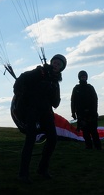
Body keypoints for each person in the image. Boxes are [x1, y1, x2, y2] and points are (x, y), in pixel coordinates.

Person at [13, 54, 67, 182]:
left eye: (59, 64)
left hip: (46, 112)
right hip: (32, 110)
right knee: (30, 140)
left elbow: (56, 103)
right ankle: (23, 174)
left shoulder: (55, 82)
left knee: (53, 139)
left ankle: (42, 169)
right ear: (52, 62)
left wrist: (52, 91)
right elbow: (22, 78)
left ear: (61, 69)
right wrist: (19, 92)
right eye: (55, 62)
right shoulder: (39, 72)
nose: (56, 65)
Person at [71, 70, 101, 150]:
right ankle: (88, 146)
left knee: (94, 131)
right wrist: (73, 112)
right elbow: (73, 101)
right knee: (85, 132)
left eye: (84, 77)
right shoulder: (76, 89)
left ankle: (98, 146)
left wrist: (94, 111)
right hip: (81, 114)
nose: (83, 78)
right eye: (82, 77)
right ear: (79, 78)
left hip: (91, 113)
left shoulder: (90, 87)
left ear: (86, 77)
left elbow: (95, 99)